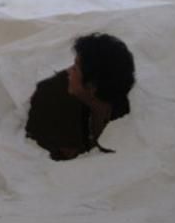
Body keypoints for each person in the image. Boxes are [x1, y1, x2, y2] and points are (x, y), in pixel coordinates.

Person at [25, 32, 136, 161]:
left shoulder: (123, 116)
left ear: (92, 87)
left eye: (76, 68)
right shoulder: (57, 97)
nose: (69, 71)